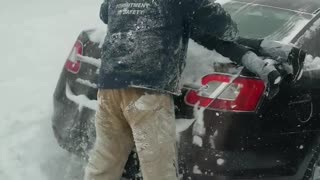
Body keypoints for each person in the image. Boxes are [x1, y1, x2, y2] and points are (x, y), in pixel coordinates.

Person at [84, 1, 283, 180]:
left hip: (110, 85)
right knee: (159, 171)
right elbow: (219, 23)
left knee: (104, 163)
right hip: (148, 89)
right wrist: (232, 32)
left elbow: (105, 13)